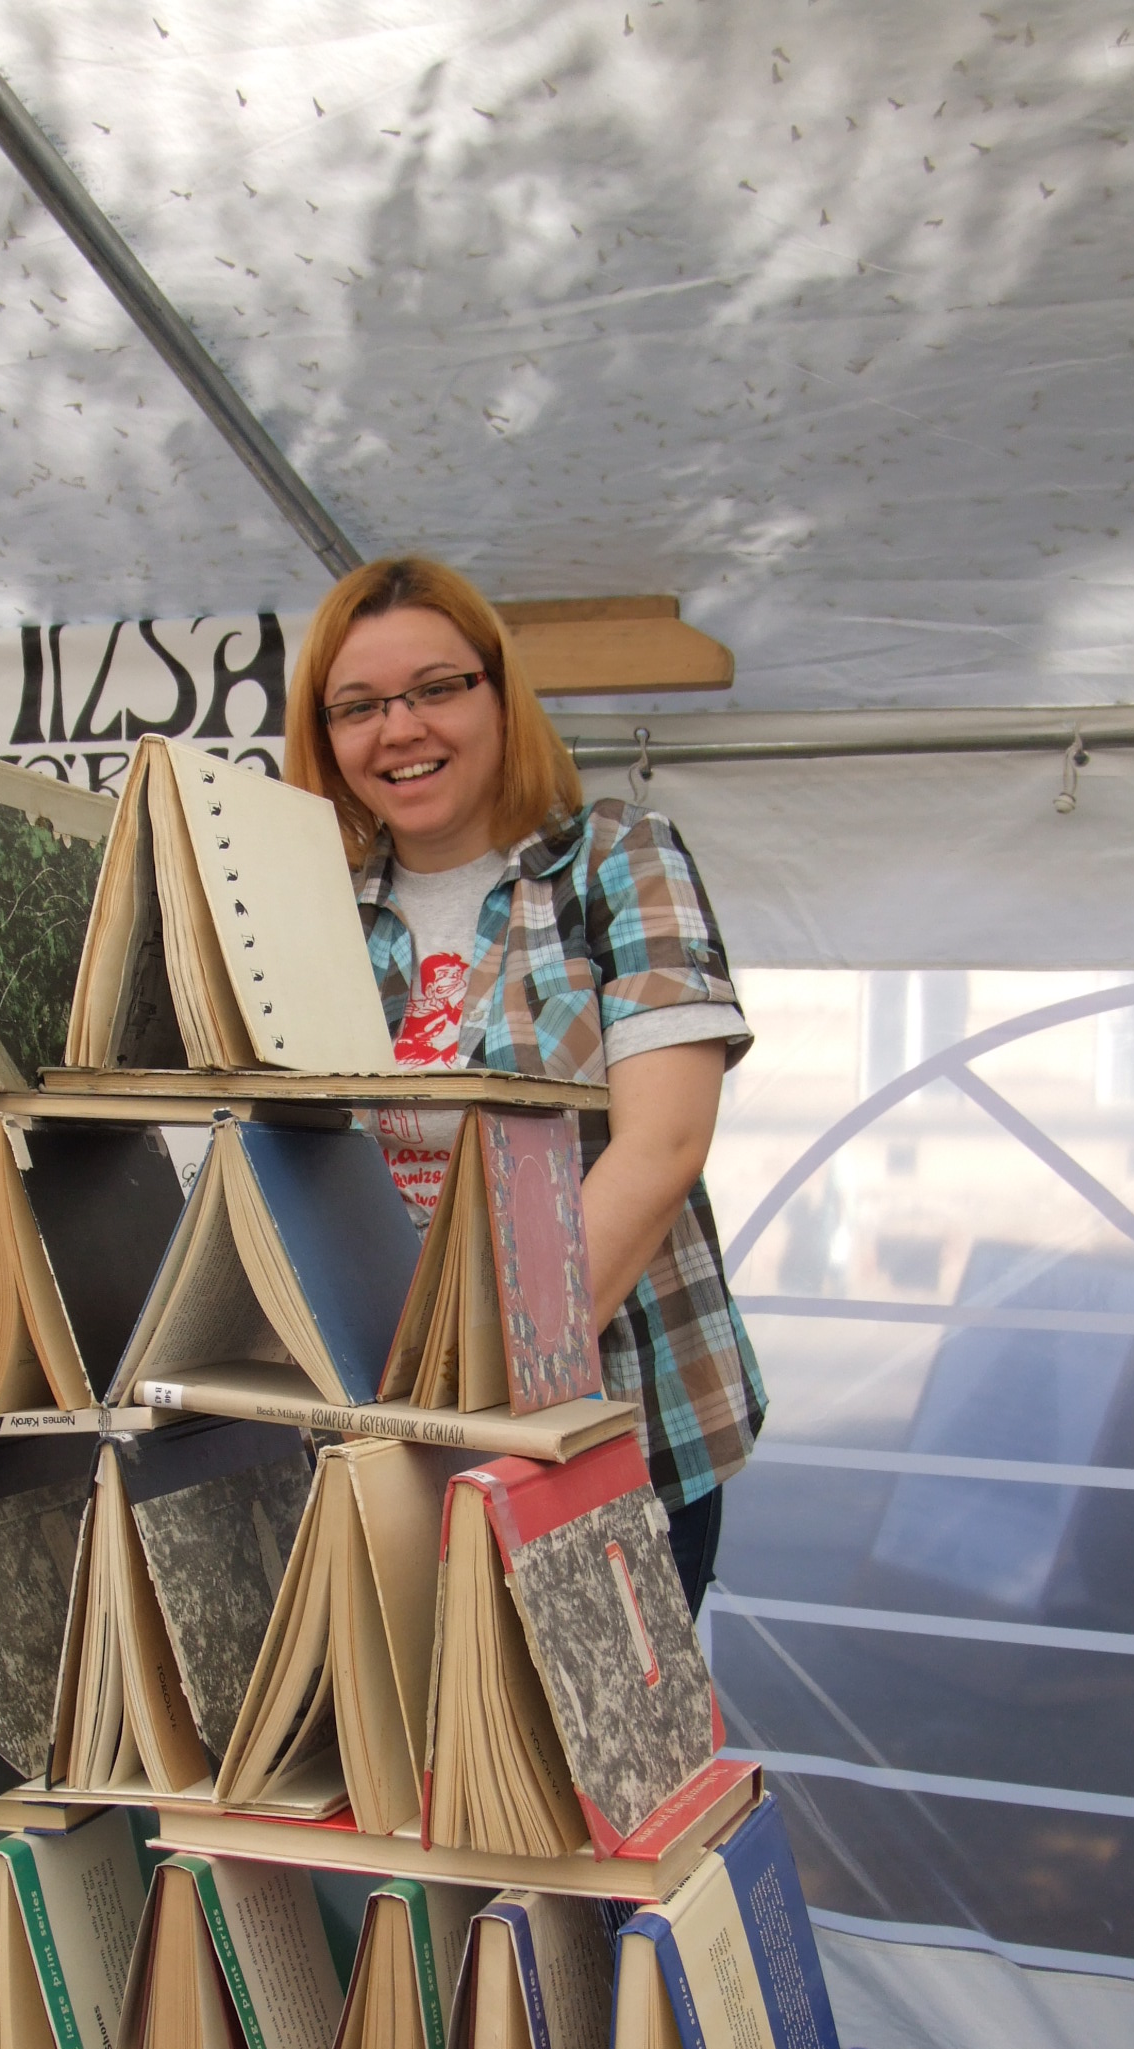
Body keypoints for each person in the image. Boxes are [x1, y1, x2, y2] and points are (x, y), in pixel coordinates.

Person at [285, 556, 765, 1613]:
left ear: (501, 697)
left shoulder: (615, 858)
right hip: (384, 1438)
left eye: (436, 688)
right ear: (325, 737)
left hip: (606, 1429)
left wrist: (480, 1377)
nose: (399, 729)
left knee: (571, 1725)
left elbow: (663, 1145)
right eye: (358, 707)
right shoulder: (318, 910)